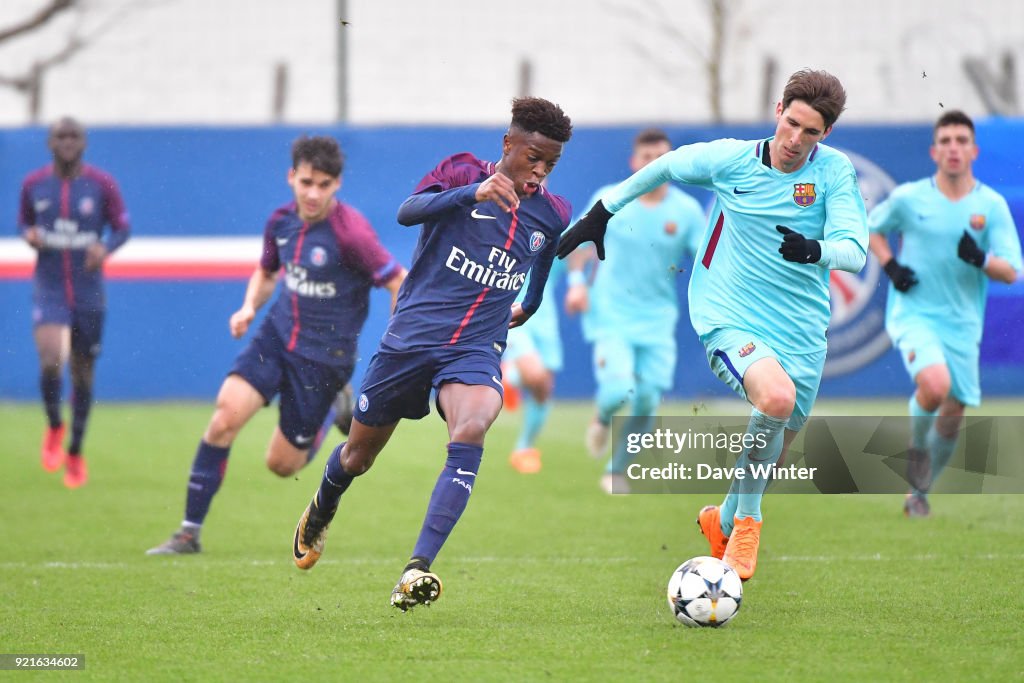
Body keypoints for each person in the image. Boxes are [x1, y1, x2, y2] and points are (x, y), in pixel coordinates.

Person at [557, 70, 867, 580]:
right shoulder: (731, 159)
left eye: (810, 132)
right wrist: (603, 212)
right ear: (777, 111)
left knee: (775, 453)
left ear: (825, 135)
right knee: (775, 400)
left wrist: (816, 250)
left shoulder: (833, 173)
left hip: (802, 330)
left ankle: (721, 519)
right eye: (791, 123)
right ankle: (747, 523)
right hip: (728, 315)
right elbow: (666, 166)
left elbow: (854, 252)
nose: (795, 140)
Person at [291, 97, 573, 611]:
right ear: (508, 143)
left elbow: (546, 254)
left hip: (475, 349)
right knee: (358, 456)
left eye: (550, 163)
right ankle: (323, 505)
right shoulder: (460, 170)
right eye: (533, 157)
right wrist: (472, 193)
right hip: (411, 340)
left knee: (472, 427)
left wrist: (530, 303)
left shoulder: (552, 213)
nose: (540, 171)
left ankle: (416, 569)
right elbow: (407, 212)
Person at [147, 135, 405, 555]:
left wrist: (396, 344)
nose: (312, 193)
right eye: (306, 182)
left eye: (323, 184)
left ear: (337, 184)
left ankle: (330, 412)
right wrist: (248, 307)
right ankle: (188, 532)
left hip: (323, 360)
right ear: (291, 177)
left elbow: (398, 280)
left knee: (281, 465)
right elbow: (267, 273)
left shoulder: (352, 233)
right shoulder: (281, 222)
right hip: (275, 336)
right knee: (223, 419)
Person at [867, 110, 1021, 517]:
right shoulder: (909, 198)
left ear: (974, 150)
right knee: (935, 386)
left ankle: (919, 491)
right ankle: (916, 451)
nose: (954, 148)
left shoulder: (990, 206)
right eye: (946, 141)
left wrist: (980, 258)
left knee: (953, 411)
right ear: (935, 151)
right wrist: (892, 267)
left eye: (961, 141)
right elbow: (872, 229)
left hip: (962, 323)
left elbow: (1010, 270)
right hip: (914, 313)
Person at [563, 128, 705, 494]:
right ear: (634, 162)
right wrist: (577, 284)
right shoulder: (610, 199)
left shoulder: (686, 212)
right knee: (618, 391)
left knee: (646, 402)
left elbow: (707, 261)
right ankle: (602, 416)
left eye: (662, 157)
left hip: (658, 320)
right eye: (647, 157)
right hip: (610, 314)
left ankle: (615, 469)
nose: (655, 164)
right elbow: (577, 247)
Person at [18, 117, 131, 489]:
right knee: (51, 358)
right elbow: (24, 223)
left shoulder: (101, 185)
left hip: (88, 292)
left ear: (84, 143)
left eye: (74, 137)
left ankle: (76, 451)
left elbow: (123, 227)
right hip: (49, 287)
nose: (67, 143)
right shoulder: (34, 185)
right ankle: (54, 425)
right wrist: (30, 235)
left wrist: (106, 247)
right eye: (60, 137)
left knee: (82, 373)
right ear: (50, 143)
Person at [502, 257, 566, 474]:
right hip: (511, 310)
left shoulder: (565, 224)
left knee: (543, 388)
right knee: (536, 375)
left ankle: (524, 449)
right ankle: (510, 375)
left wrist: (578, 283)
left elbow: (585, 252)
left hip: (544, 315)